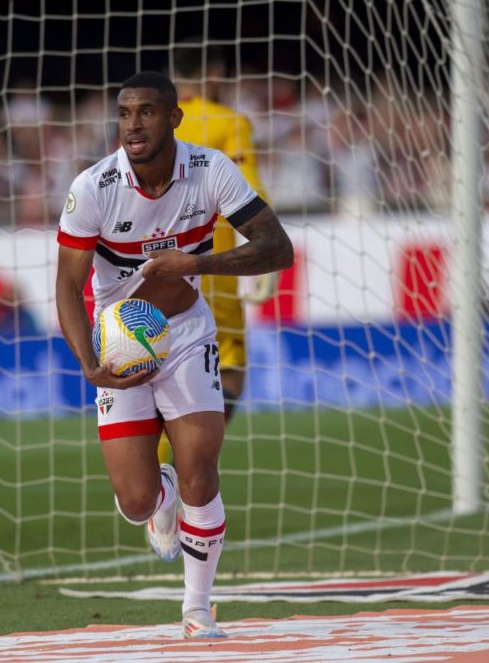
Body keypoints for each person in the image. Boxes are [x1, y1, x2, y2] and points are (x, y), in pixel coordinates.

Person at [55, 71, 293, 639]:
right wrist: (89, 363)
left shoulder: (210, 171)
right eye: (125, 113)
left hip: (186, 333)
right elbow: (67, 286)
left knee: (201, 474)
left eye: (147, 112)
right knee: (137, 502)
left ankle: (198, 609)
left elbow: (276, 248)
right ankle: (156, 493)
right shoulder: (93, 187)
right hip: (121, 340)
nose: (133, 125)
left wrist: (197, 264)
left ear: (174, 118)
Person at [154, 43, 279, 466]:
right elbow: (250, 195)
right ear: (214, 76)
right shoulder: (229, 122)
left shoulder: (152, 125)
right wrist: (265, 255)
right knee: (230, 368)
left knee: (155, 370)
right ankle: (184, 467)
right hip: (211, 269)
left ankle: (156, 480)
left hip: (149, 269)